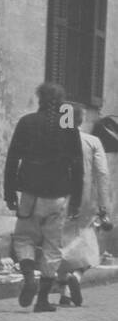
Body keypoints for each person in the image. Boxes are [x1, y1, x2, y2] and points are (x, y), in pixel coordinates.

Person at [3, 83, 83, 313]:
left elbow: (12, 159)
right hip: (58, 196)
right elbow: (77, 166)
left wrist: (9, 193)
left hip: (30, 193)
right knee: (52, 246)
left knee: (23, 238)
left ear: (39, 99)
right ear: (61, 102)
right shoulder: (67, 123)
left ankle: (29, 276)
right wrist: (76, 200)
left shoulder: (27, 122)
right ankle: (43, 300)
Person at [53, 124, 112, 307]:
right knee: (87, 246)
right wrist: (104, 207)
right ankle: (76, 278)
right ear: (81, 121)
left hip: (57, 197)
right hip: (86, 202)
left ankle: (64, 293)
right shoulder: (93, 141)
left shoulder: (55, 139)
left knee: (58, 245)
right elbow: (102, 173)